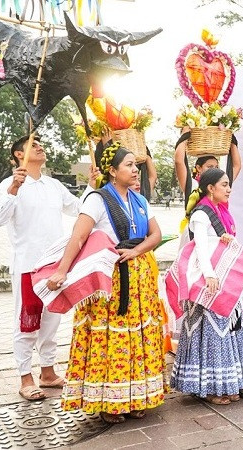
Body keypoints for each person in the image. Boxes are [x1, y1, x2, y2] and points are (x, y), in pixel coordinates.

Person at [45, 142, 165, 423]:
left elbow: (156, 235)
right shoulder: (97, 200)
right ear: (112, 171)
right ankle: (109, 402)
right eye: (129, 165)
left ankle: (136, 397)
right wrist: (62, 270)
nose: (135, 170)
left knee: (138, 336)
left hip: (139, 278)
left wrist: (136, 251)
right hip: (108, 278)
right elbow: (79, 236)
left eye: (136, 165)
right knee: (111, 336)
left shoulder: (140, 200)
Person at [0, 135, 96, 401]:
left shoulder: (53, 185)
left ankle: (47, 372)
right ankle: (25, 377)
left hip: (55, 264)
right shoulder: (9, 184)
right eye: (33, 145)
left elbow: (79, 208)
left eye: (40, 144)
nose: (40, 147)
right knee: (27, 322)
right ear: (19, 155)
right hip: (27, 264)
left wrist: (91, 186)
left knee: (52, 319)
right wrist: (14, 188)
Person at [167, 168, 243, 404]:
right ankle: (209, 388)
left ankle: (228, 383)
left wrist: (225, 240)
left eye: (229, 185)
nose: (229, 189)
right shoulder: (201, 214)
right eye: (224, 185)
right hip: (205, 282)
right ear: (210, 188)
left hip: (221, 279)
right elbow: (200, 247)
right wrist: (209, 276)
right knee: (209, 332)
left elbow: (218, 243)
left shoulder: (221, 211)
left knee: (226, 329)